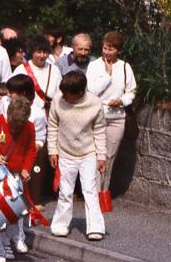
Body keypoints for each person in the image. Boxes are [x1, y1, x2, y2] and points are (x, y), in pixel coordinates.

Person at [48, 71, 107, 241]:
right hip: (65, 152)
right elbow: (52, 126)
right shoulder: (58, 101)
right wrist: (53, 151)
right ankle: (60, 224)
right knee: (65, 191)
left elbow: (99, 130)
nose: (64, 97)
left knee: (90, 190)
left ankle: (95, 227)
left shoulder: (95, 103)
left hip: (88, 152)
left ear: (80, 93)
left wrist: (101, 156)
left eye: (68, 94)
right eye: (63, 93)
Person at [0, 97, 37, 262]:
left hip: (17, 176)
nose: (15, 127)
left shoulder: (30, 127)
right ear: (9, 114)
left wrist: (26, 168)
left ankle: (5, 245)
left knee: (14, 216)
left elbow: (31, 150)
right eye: (13, 123)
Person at [86, 31, 137, 209]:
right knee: (95, 155)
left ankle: (103, 191)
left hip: (117, 117)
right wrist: (107, 75)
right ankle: (91, 193)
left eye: (112, 49)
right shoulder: (94, 66)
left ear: (118, 51)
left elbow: (132, 91)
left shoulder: (125, 67)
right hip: (97, 115)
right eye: (105, 48)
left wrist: (122, 101)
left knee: (109, 156)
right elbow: (91, 91)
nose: (107, 52)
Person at [12, 35, 60, 113]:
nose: (42, 55)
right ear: (32, 52)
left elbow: (59, 94)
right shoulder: (21, 70)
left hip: (50, 115)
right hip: (27, 114)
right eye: (38, 52)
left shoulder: (55, 70)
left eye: (45, 52)